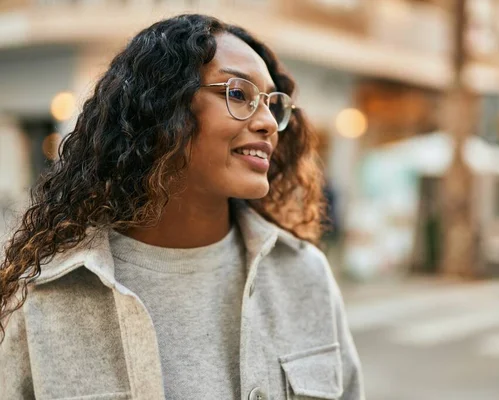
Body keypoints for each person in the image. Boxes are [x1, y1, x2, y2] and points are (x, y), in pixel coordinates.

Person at [0, 14, 364, 400]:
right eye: (239, 94)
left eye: (272, 104)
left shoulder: (305, 275)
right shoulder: (43, 297)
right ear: (161, 109)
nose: (269, 124)